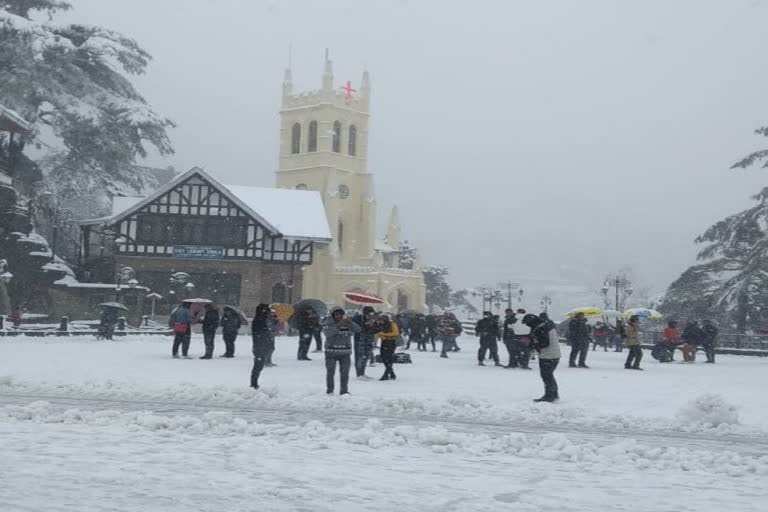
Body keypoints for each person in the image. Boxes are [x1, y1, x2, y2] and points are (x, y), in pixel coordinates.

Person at [522, 313, 561, 403]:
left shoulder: (541, 328)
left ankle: (549, 396)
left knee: (546, 376)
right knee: (549, 375)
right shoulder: (547, 325)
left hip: (547, 355)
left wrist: (533, 343)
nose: (528, 326)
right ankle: (554, 394)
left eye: (528, 324)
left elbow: (544, 343)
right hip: (555, 354)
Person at [323, 307, 361, 395]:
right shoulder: (328, 323)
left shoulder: (348, 323)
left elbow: (358, 330)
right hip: (331, 351)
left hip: (345, 352)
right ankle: (330, 390)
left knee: (345, 373)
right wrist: (339, 325)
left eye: (341, 314)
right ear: (333, 315)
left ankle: (344, 391)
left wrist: (350, 322)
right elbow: (328, 334)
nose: (338, 316)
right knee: (330, 372)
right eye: (336, 314)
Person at [250, 304, 272, 389]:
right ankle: (253, 383)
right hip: (259, 346)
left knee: (259, 365)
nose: (268, 312)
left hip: (261, 345)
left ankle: (254, 383)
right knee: (258, 365)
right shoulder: (259, 320)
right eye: (267, 311)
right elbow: (260, 333)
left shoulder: (262, 319)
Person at [352, 306, 378, 379]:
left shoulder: (373, 319)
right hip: (359, 340)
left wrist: (373, 325)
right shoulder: (357, 318)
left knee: (366, 357)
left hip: (369, 340)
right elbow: (354, 328)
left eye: (371, 314)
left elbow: (376, 330)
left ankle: (362, 373)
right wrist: (365, 324)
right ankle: (359, 374)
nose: (370, 315)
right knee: (359, 357)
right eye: (368, 314)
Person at [376, 315, 400, 380]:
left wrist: (384, 334)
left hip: (391, 342)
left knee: (389, 358)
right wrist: (379, 335)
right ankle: (392, 373)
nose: (380, 322)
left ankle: (386, 374)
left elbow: (395, 333)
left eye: (381, 320)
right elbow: (378, 333)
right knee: (383, 357)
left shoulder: (392, 324)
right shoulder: (381, 325)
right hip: (384, 342)